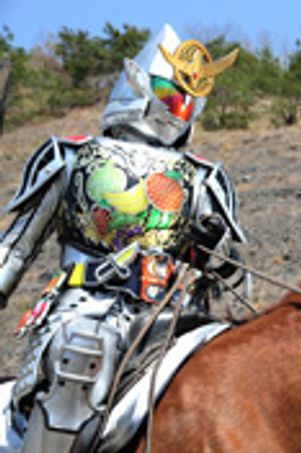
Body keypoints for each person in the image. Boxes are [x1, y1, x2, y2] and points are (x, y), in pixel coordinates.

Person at [0, 24, 247, 452]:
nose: (177, 111)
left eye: (189, 104)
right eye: (172, 96)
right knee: (79, 361)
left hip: (173, 323)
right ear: (138, 84)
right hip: (84, 309)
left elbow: (233, 285)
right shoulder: (72, 157)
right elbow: (17, 247)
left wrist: (215, 247)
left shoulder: (205, 180)